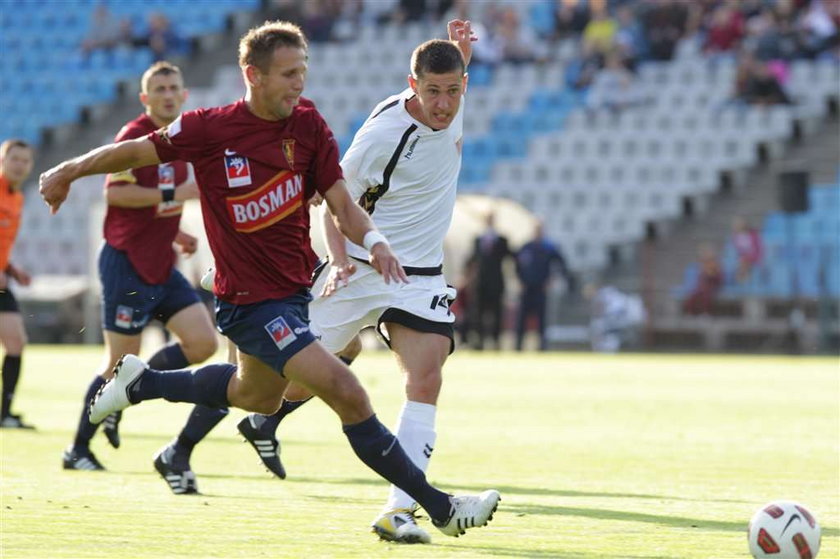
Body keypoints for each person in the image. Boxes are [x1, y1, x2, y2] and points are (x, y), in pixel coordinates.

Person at [40, 20, 500, 539]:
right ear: (251, 74)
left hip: (300, 289)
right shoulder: (210, 128)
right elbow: (136, 152)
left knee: (256, 395)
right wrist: (67, 170)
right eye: (287, 74)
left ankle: (142, 383)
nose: (298, 83)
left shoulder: (307, 125)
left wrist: (372, 241)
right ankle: (437, 508)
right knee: (346, 389)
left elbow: (340, 200)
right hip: (248, 300)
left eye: (302, 71)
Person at [235, 22, 479, 545]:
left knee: (426, 378)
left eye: (453, 91)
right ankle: (174, 400)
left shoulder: (455, 95)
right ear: (411, 85)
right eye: (432, 91)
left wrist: (460, 52)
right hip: (363, 268)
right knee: (277, 387)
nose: (444, 104)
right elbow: (329, 199)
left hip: (418, 278)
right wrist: (342, 261)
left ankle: (400, 510)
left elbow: (452, 71)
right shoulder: (383, 137)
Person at [60, 62, 222, 495]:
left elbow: (155, 203)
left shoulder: (182, 136)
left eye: (174, 87)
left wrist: (179, 230)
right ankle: (77, 449)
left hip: (161, 260)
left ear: (185, 95)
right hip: (126, 262)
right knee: (115, 361)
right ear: (145, 99)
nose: (168, 95)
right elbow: (114, 193)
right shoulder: (134, 135)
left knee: (203, 343)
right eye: (159, 89)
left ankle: (130, 389)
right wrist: (173, 197)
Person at [0, 139, 35, 429]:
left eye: (25, 160)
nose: (20, 165)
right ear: (2, 161)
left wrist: (12, 269)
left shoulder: (17, 197)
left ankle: (6, 414)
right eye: (15, 159)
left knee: (15, 341)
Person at [514, 221, 571, 351]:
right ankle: (518, 347)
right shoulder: (526, 247)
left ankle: (542, 347)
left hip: (541, 288)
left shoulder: (548, 248)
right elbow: (517, 265)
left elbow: (561, 263)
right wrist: (520, 280)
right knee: (522, 319)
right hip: (527, 288)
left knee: (541, 320)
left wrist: (552, 279)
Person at [469, 211, 511, 350]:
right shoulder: (478, 239)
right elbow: (473, 258)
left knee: (497, 313)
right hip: (481, 282)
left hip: (496, 282)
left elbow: (510, 256)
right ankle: (478, 341)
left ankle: (496, 341)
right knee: (478, 313)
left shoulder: (502, 240)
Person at [682, 243, 723, 316]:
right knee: (694, 293)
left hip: (713, 284)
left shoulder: (716, 264)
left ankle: (705, 312)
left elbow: (718, 277)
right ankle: (690, 312)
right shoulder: (702, 265)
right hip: (704, 285)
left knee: (706, 294)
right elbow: (701, 277)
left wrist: (710, 274)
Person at [731, 216, 763, 283]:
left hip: (752, 257)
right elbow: (736, 250)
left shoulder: (753, 234)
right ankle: (743, 277)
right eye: (737, 224)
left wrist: (750, 256)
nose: (738, 225)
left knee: (744, 261)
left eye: (740, 224)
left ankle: (744, 277)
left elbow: (758, 249)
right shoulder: (735, 236)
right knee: (742, 261)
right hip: (742, 258)